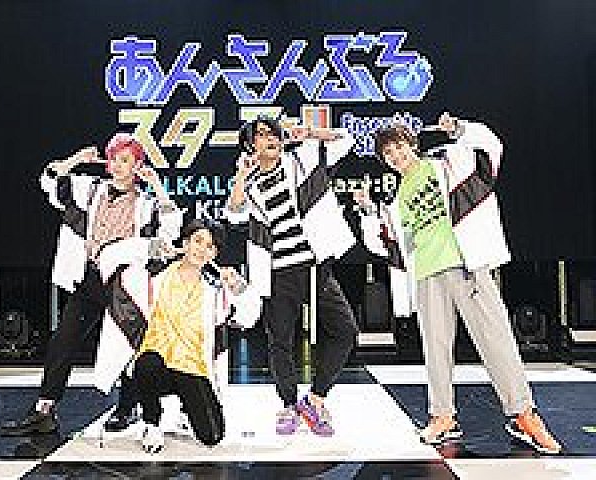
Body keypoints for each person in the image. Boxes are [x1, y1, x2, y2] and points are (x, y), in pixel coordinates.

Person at [356, 113, 562, 454]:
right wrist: (367, 211)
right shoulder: (398, 195)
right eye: (388, 153)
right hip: (427, 273)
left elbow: (491, 147)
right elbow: (385, 244)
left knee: (496, 339)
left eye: (399, 147)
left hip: (465, 263)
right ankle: (443, 416)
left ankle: (523, 414)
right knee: (435, 349)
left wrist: (460, 129)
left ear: (412, 144)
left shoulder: (446, 162)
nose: (395, 156)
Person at [1, 133, 183, 436]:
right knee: (63, 341)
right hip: (88, 279)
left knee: (128, 344)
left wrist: (158, 186)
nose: (118, 165)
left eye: (125, 160)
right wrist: (75, 160)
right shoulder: (90, 189)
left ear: (137, 165)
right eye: (113, 159)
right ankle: (45, 409)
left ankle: (127, 407)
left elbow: (170, 232)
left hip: (124, 283)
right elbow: (49, 182)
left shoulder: (146, 204)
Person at [224, 117, 359, 436]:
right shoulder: (250, 183)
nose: (270, 138)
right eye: (261, 135)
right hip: (277, 272)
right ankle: (288, 405)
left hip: (314, 264)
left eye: (273, 133)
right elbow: (233, 215)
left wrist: (310, 132)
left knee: (345, 331)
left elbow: (346, 140)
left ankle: (315, 399)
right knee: (279, 342)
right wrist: (241, 176)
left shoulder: (302, 159)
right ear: (251, 145)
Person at [133, 219, 261, 452]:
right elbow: (120, 259)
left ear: (215, 254)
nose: (202, 249)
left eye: (210, 246)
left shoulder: (215, 287)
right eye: (198, 241)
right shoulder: (157, 275)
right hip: (158, 363)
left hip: (193, 367)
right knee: (146, 364)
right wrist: (155, 247)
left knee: (212, 436)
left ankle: (187, 407)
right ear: (185, 243)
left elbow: (250, 317)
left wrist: (237, 287)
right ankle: (152, 423)